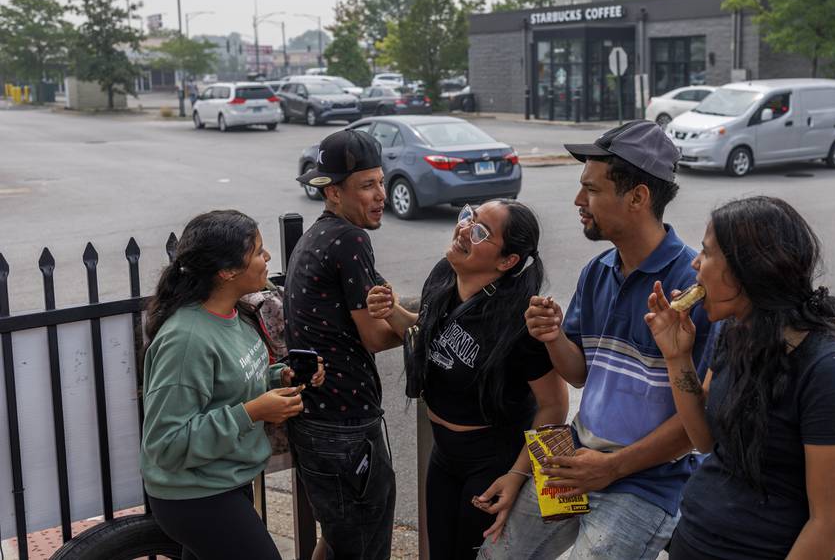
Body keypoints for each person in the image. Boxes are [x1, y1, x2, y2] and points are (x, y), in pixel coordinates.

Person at [478, 120, 717, 560]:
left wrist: (612, 468)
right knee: (495, 554)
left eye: (591, 189)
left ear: (638, 197)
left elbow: (698, 426)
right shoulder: (597, 271)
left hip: (647, 482)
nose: (577, 201)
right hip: (576, 456)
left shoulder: (693, 286)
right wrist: (552, 338)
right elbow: (580, 373)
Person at [644, 196, 835, 559]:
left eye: (707, 254)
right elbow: (705, 440)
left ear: (749, 270)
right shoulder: (737, 332)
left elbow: (829, 524)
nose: (695, 262)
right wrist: (677, 356)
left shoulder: (832, 371)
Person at [366, 200, 569, 559]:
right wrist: (392, 312)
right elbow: (426, 332)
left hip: (494, 461)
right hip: (443, 453)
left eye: (479, 232)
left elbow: (554, 405)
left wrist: (518, 475)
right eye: (468, 218)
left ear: (507, 261)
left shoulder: (521, 320)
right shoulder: (444, 273)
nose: (463, 230)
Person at [141, 210, 324, 560]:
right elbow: (166, 443)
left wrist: (279, 378)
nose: (267, 257)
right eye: (257, 251)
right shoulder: (186, 340)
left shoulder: (233, 314)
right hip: (195, 495)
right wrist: (253, 412)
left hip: (225, 482)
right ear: (226, 272)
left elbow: (229, 386)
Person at [285, 129, 405, 560]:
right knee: (364, 546)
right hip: (344, 427)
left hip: (316, 422)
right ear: (333, 192)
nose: (380, 195)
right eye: (367, 186)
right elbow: (373, 336)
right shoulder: (350, 240)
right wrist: (418, 331)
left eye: (381, 181)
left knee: (338, 541)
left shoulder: (317, 235)